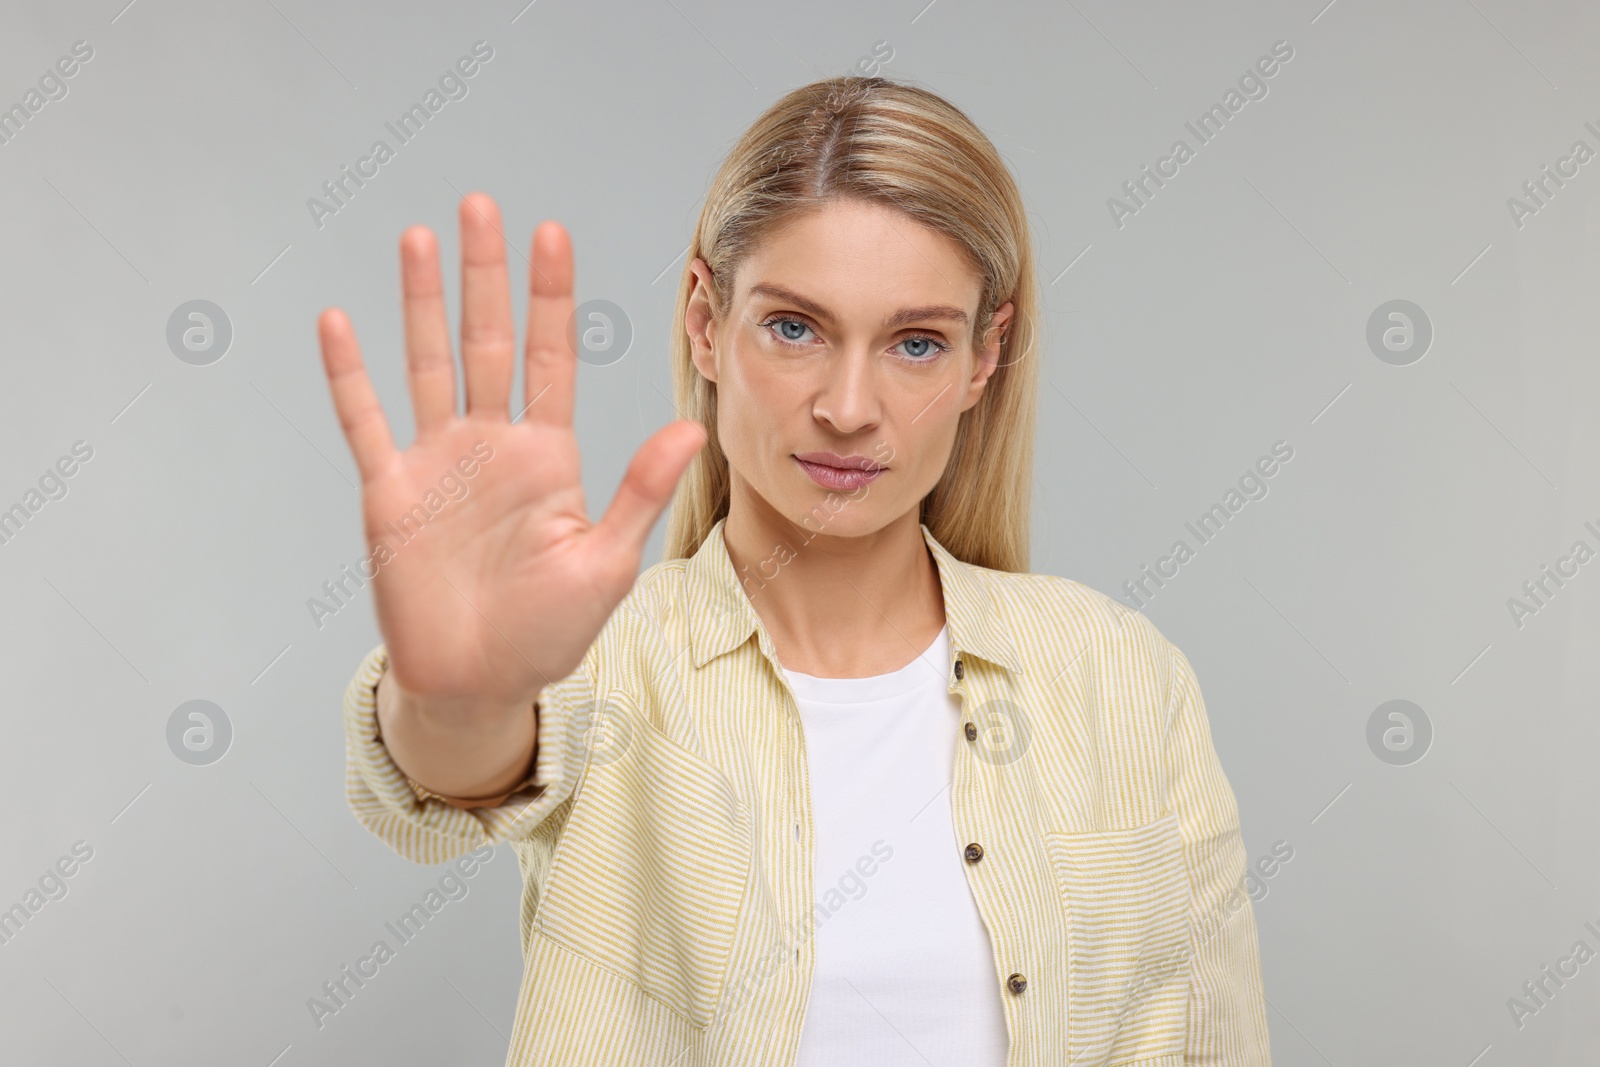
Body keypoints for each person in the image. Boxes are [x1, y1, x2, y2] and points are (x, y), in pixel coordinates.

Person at [318, 75, 1272, 1066]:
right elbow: (446, 775)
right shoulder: (603, 661)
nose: (850, 406)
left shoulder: (1123, 677)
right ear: (704, 321)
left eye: (915, 342)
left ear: (984, 359)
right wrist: (459, 696)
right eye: (794, 326)